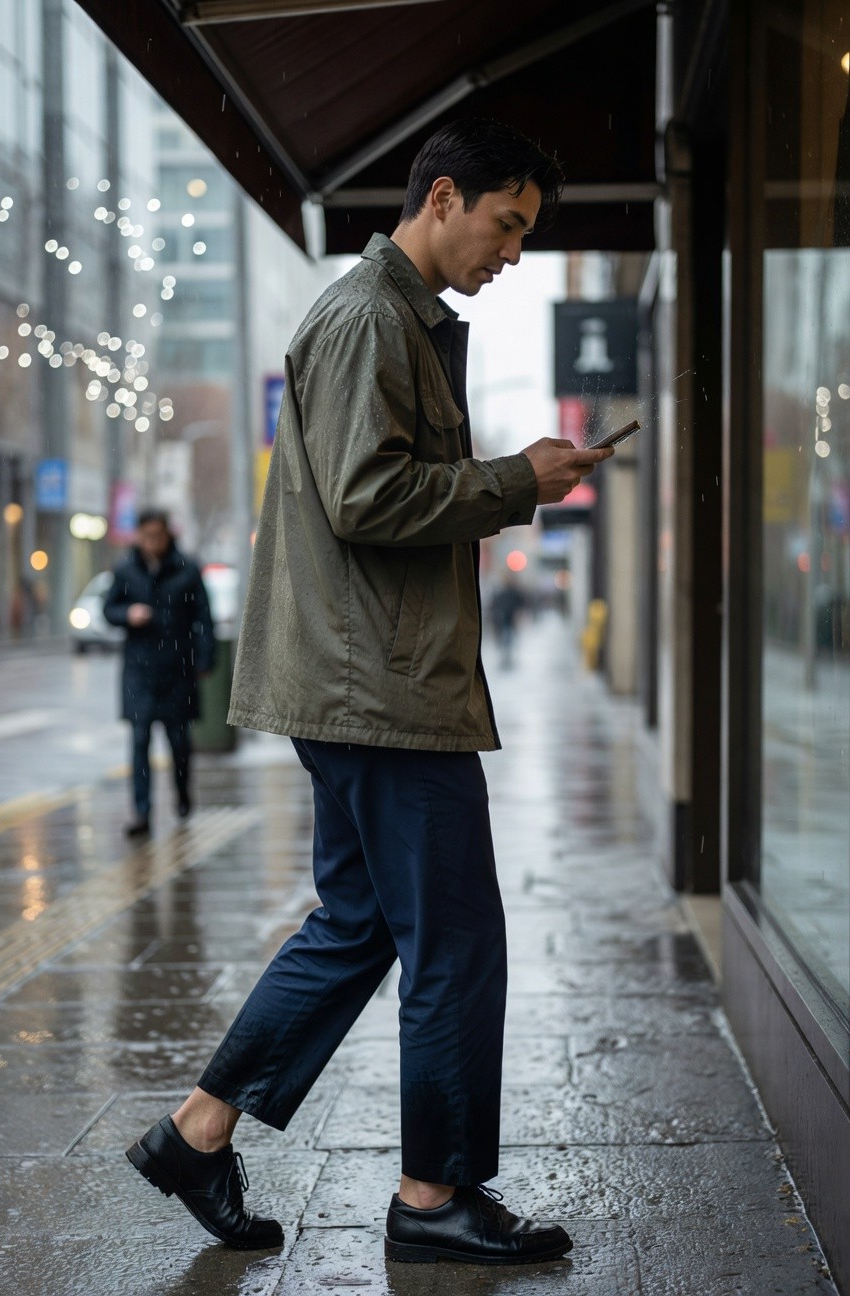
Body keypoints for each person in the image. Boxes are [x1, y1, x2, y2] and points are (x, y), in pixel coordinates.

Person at [125, 118, 613, 1263]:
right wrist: (515, 481)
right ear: (443, 197)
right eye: (508, 225)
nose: (513, 254)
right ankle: (432, 1200)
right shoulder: (366, 318)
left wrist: (509, 479)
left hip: (367, 680)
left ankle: (197, 1136)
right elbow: (363, 497)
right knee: (453, 943)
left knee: (359, 929)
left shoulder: (399, 321)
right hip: (381, 690)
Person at [104, 509, 214, 836]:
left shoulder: (187, 569)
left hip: (178, 669)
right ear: (138, 535)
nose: (152, 542)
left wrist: (204, 661)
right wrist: (128, 613)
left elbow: (203, 617)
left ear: (168, 535)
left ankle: (182, 795)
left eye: (158, 535)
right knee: (139, 742)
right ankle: (142, 812)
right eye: (146, 535)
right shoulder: (125, 569)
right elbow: (108, 609)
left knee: (179, 742)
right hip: (139, 671)